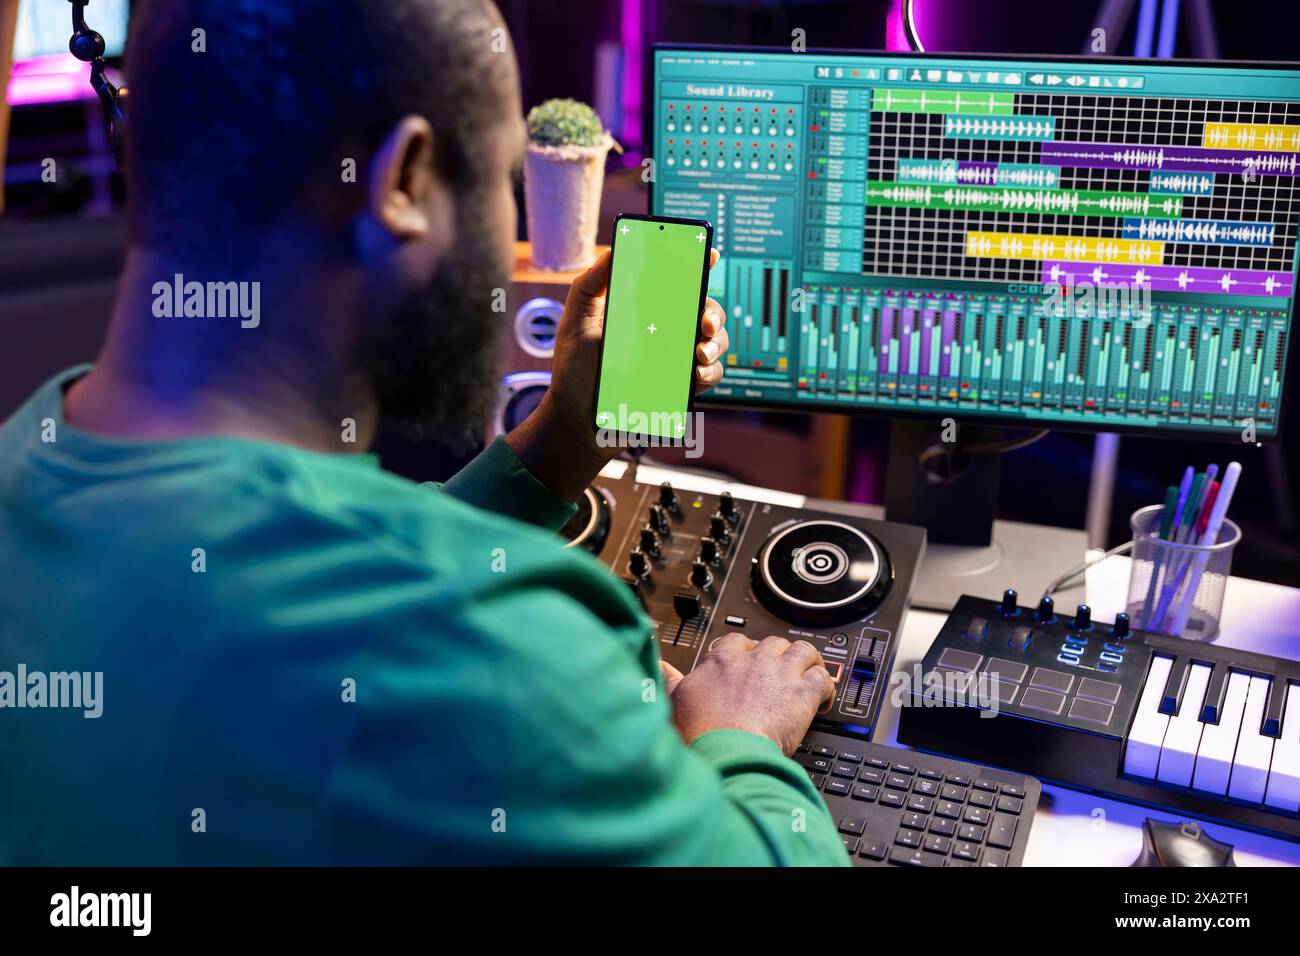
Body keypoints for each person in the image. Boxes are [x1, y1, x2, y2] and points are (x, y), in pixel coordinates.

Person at [0, 0, 844, 865]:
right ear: (402, 180)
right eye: (502, 182)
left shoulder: (28, 455)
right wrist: (738, 742)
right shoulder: (483, 636)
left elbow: (316, 558)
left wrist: (562, 439)